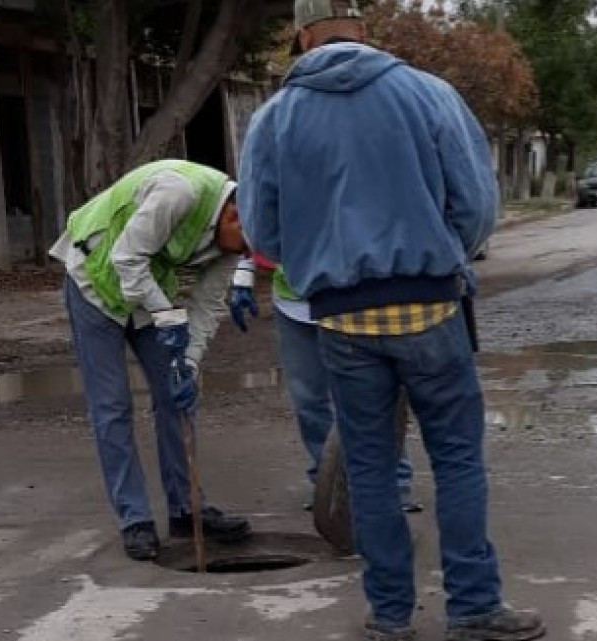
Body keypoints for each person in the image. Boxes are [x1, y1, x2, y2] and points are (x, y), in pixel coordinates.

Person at [236, 2, 545, 639]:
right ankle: (475, 610)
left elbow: (264, 232)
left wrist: (325, 263)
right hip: (430, 306)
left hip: (341, 321)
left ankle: (390, 621)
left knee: (371, 470)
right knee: (456, 460)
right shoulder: (427, 94)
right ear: (363, 31)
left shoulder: (272, 119)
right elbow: (479, 204)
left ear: (301, 37)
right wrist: (443, 257)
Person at [50, 159, 252, 561]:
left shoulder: (236, 238)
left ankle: (186, 508)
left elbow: (207, 307)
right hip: (94, 282)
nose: (245, 254)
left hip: (145, 291)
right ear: (234, 214)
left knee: (176, 395)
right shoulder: (179, 192)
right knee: (112, 406)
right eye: (246, 242)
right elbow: (126, 257)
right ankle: (135, 519)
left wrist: (189, 364)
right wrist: (164, 315)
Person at [228, 258, 423, 512]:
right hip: (294, 301)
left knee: (370, 394)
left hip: (353, 294)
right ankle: (328, 482)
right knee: (307, 399)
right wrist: (245, 268)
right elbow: (256, 227)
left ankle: (394, 482)